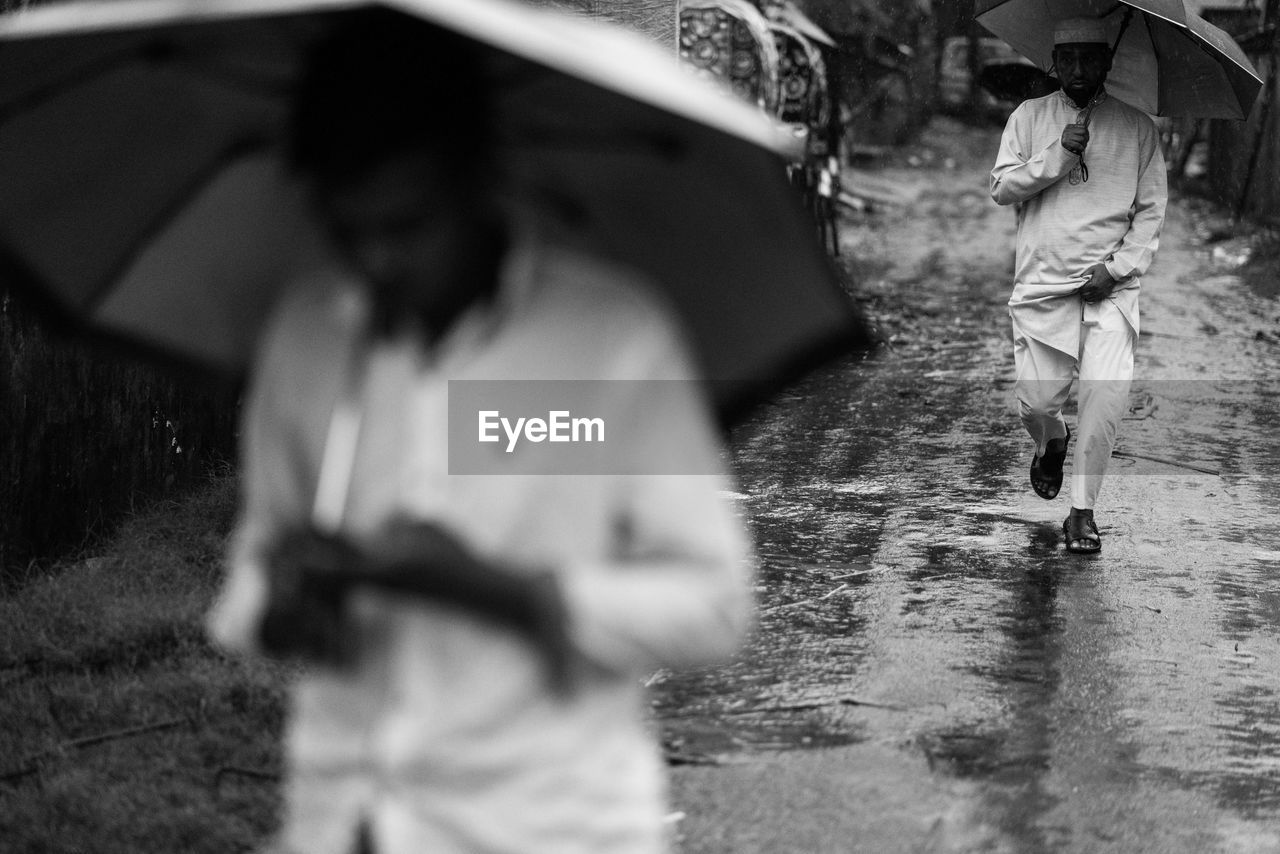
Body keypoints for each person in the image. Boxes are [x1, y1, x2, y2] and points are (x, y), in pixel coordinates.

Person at [205, 14, 754, 854]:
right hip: (341, 820)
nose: (379, 262)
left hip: (543, 825)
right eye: (351, 232)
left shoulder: (606, 340)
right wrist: (279, 604)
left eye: (409, 225)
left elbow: (714, 606)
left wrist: (502, 591)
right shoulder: (309, 337)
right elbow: (257, 558)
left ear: (479, 180)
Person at [989, 17, 1168, 554]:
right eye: (1069, 58)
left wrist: (1114, 271)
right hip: (1043, 287)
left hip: (1111, 291)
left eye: (1091, 58)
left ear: (1107, 62)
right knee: (1037, 405)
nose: (1080, 68)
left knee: (1103, 402)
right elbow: (1001, 187)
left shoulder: (1138, 129)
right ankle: (1052, 442)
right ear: (1055, 61)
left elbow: (1151, 211)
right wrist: (1059, 155)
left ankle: (1082, 513)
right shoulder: (1029, 118)